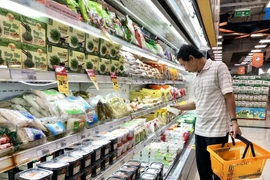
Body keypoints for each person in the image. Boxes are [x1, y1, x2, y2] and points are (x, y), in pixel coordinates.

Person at [171, 44, 242, 180]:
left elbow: (229, 96)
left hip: (217, 131)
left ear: (191, 58)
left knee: (218, 173)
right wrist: (179, 107)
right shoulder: (195, 77)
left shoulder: (218, 67)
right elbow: (197, 104)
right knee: (203, 171)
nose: (185, 68)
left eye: (184, 64)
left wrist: (234, 122)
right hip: (200, 130)